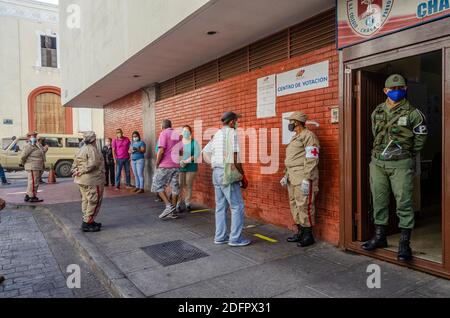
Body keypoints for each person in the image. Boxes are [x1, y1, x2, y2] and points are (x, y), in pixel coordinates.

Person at [362, 74, 428, 262]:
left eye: (400, 88)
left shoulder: (414, 113)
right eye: (393, 89)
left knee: (404, 203)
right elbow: (375, 133)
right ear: (385, 91)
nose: (396, 91)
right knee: (379, 200)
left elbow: (420, 139)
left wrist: (406, 154)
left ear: (405, 89)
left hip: (401, 163)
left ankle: (404, 244)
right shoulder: (378, 111)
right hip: (378, 162)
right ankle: (380, 237)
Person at [203, 112, 250, 247]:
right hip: (227, 173)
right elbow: (235, 158)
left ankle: (220, 236)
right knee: (237, 206)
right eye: (236, 121)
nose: (237, 123)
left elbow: (205, 152)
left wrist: (214, 163)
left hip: (216, 173)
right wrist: (242, 174)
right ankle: (235, 238)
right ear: (231, 122)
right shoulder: (232, 133)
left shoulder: (217, 134)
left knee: (220, 207)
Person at [281, 112, 320, 248]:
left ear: (297, 122)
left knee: (305, 206)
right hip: (292, 176)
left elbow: (312, 158)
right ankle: (300, 232)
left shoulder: (309, 136)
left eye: (290, 121)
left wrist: (307, 178)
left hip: (303, 176)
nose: (289, 124)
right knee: (294, 204)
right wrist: (286, 175)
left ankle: (308, 235)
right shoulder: (296, 136)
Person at [71, 131, 106, 233]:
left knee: (86, 200)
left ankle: (87, 219)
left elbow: (75, 163)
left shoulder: (81, 149)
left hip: (82, 180)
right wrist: (80, 171)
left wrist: (75, 171)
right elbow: (93, 164)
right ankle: (87, 223)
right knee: (94, 201)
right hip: (93, 180)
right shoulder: (92, 149)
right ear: (93, 140)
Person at [151, 119, 181, 220]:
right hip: (176, 165)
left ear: (162, 126)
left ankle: (169, 206)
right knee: (175, 187)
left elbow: (161, 149)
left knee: (156, 184)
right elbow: (181, 151)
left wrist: (157, 163)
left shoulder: (164, 133)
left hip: (165, 165)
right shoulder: (176, 134)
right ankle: (173, 212)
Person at [178, 125, 201, 212]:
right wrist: (180, 161)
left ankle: (187, 203)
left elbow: (197, 153)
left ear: (190, 133)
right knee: (180, 185)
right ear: (182, 132)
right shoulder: (179, 143)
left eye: (187, 131)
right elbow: (175, 153)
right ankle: (178, 203)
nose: (185, 133)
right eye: (184, 131)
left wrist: (187, 160)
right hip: (180, 167)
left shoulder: (194, 142)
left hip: (191, 166)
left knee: (188, 185)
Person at [20, 132, 45, 203]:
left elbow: (41, 153)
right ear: (29, 137)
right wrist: (23, 162)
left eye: (35, 136)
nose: (34, 137)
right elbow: (23, 156)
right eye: (33, 136)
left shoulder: (36, 145)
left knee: (32, 182)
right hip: (32, 166)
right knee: (34, 182)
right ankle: (32, 197)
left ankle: (28, 195)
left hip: (36, 166)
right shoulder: (29, 145)